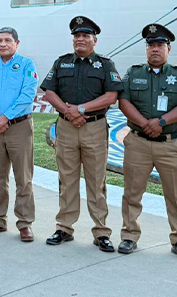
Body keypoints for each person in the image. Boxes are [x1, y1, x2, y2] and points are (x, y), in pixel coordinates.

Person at [40, 16, 123, 252]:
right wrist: (69, 111)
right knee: (67, 180)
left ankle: (101, 232)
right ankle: (64, 228)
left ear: (95, 40)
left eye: (86, 36)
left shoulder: (105, 65)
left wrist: (81, 109)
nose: (80, 39)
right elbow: (49, 92)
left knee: (97, 181)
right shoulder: (62, 63)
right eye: (77, 36)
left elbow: (111, 96)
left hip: (94, 127)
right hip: (66, 127)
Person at [116, 24, 177, 260]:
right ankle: (129, 235)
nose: (155, 49)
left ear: (168, 49)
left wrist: (161, 122)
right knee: (132, 193)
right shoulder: (133, 73)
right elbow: (124, 102)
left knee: (176, 195)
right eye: (151, 45)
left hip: (170, 144)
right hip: (138, 142)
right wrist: (145, 124)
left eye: (160, 45)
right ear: (146, 49)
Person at [0, 27, 38, 242]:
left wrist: (6, 117)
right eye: (0, 40)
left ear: (17, 43)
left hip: (19, 127)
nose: (3, 44)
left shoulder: (27, 65)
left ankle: (25, 223)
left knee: (23, 177)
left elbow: (28, 94)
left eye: (8, 40)